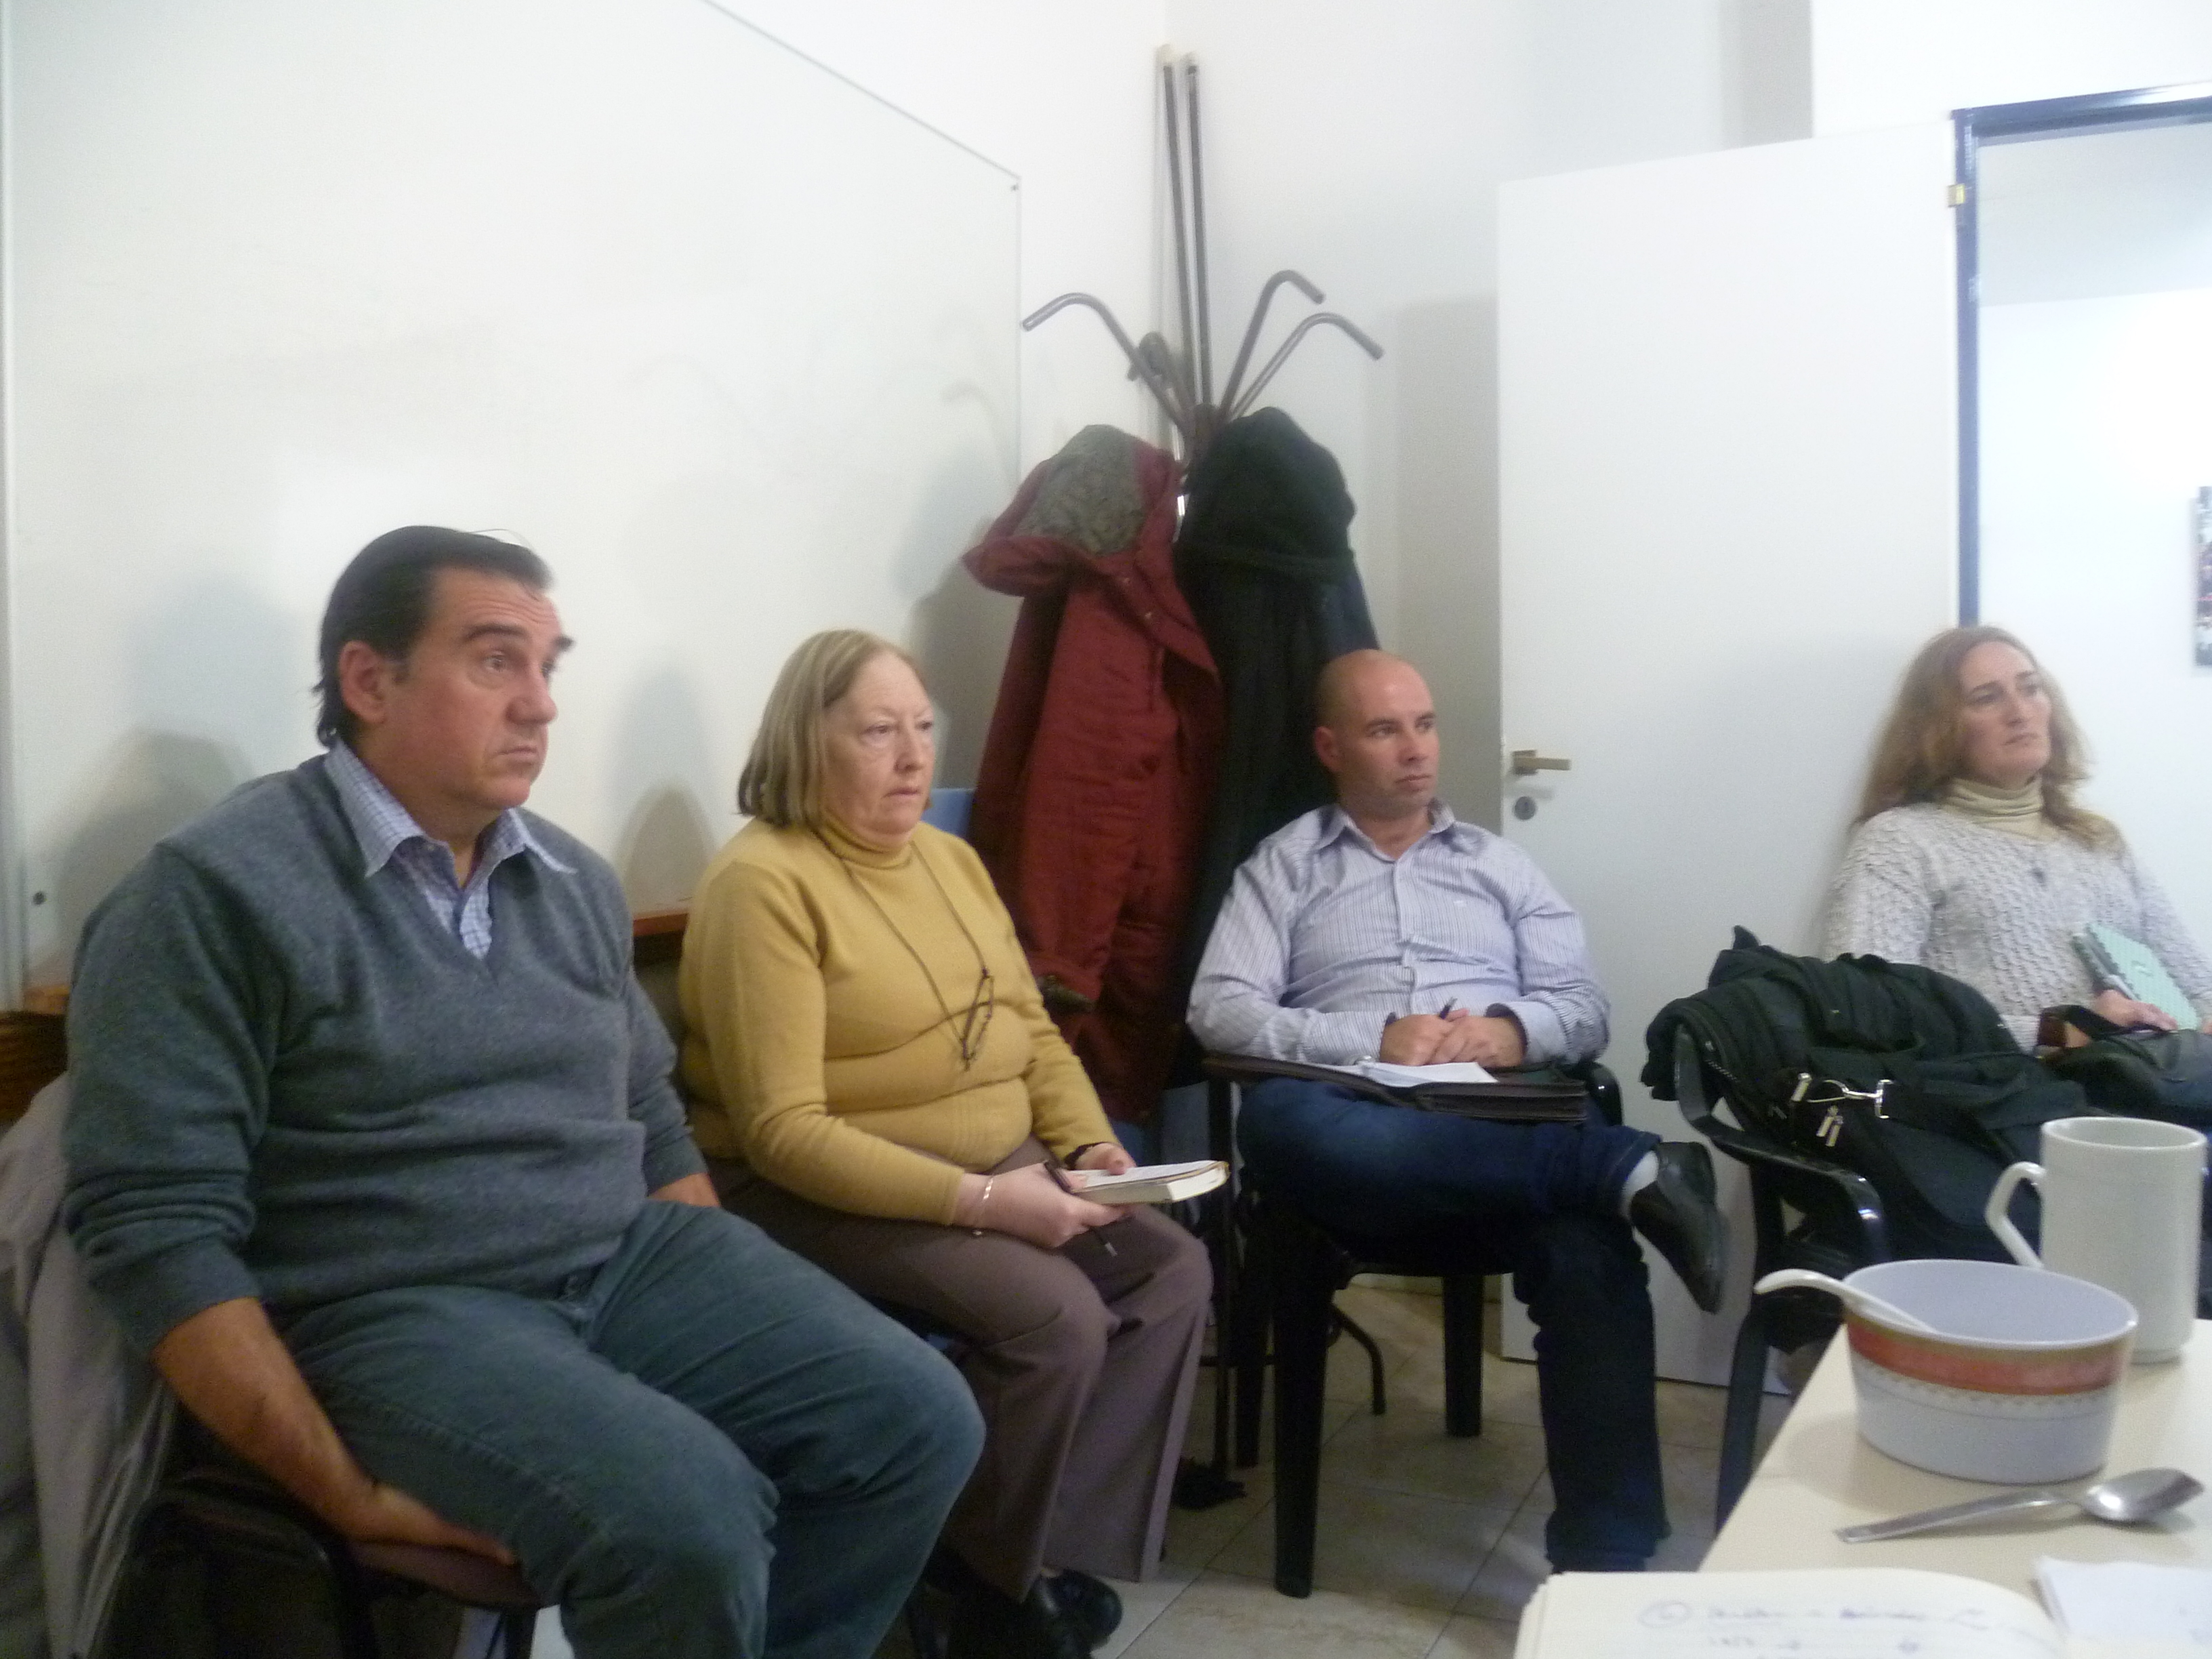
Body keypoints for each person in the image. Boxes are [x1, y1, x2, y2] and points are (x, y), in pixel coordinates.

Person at [62, 529, 982, 1659]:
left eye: (548, 666)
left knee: (917, 1418)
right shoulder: (214, 893)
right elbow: (154, 1227)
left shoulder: (569, 878)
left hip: (626, 1261)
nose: (541, 704)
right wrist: (341, 1490)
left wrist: (723, 1312)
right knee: (686, 1518)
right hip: (395, 1306)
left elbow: (650, 1121)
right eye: (496, 660)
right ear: (370, 680)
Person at [678, 630, 1211, 1659]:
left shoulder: (952, 861)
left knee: (1173, 1272)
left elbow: (1032, 1034)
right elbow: (783, 1134)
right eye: (879, 732)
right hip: (817, 1192)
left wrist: (1089, 1147)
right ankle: (995, 1588)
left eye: (923, 728)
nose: (915, 757)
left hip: (998, 1164)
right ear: (806, 742)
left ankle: (1017, 1561)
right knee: (1057, 1317)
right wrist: (990, 1203)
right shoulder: (764, 883)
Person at [1187, 648, 1726, 1574]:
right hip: (1356, 1124)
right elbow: (1220, 1010)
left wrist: (1511, 1031)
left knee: (1588, 1253)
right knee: (1277, 1125)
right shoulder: (1284, 867)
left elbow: (1585, 1009)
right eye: (1384, 730)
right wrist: (1370, 1038)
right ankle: (1621, 1169)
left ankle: (1605, 1562)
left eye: (1425, 725)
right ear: (1330, 747)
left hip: (1499, 1118)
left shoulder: (1501, 867)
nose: (1416, 750)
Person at [1822, 625, 2212, 1050]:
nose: (2020, 712)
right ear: (1938, 726)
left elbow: (2197, 985)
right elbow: (1868, 1010)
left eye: (2030, 689)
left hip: (2150, 1079)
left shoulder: (2099, 841)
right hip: (2003, 1087)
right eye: (1987, 698)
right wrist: (2060, 1032)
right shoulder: (1901, 843)